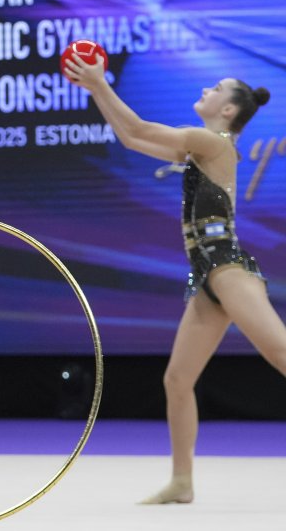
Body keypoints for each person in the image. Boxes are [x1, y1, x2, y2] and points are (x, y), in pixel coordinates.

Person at [64, 57, 278, 505]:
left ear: (228, 111)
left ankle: (182, 481)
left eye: (217, 85)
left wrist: (99, 84)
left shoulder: (213, 142)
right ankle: (182, 481)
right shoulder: (203, 145)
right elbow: (130, 137)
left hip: (228, 268)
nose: (207, 87)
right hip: (208, 278)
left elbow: (139, 128)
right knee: (177, 381)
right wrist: (97, 90)